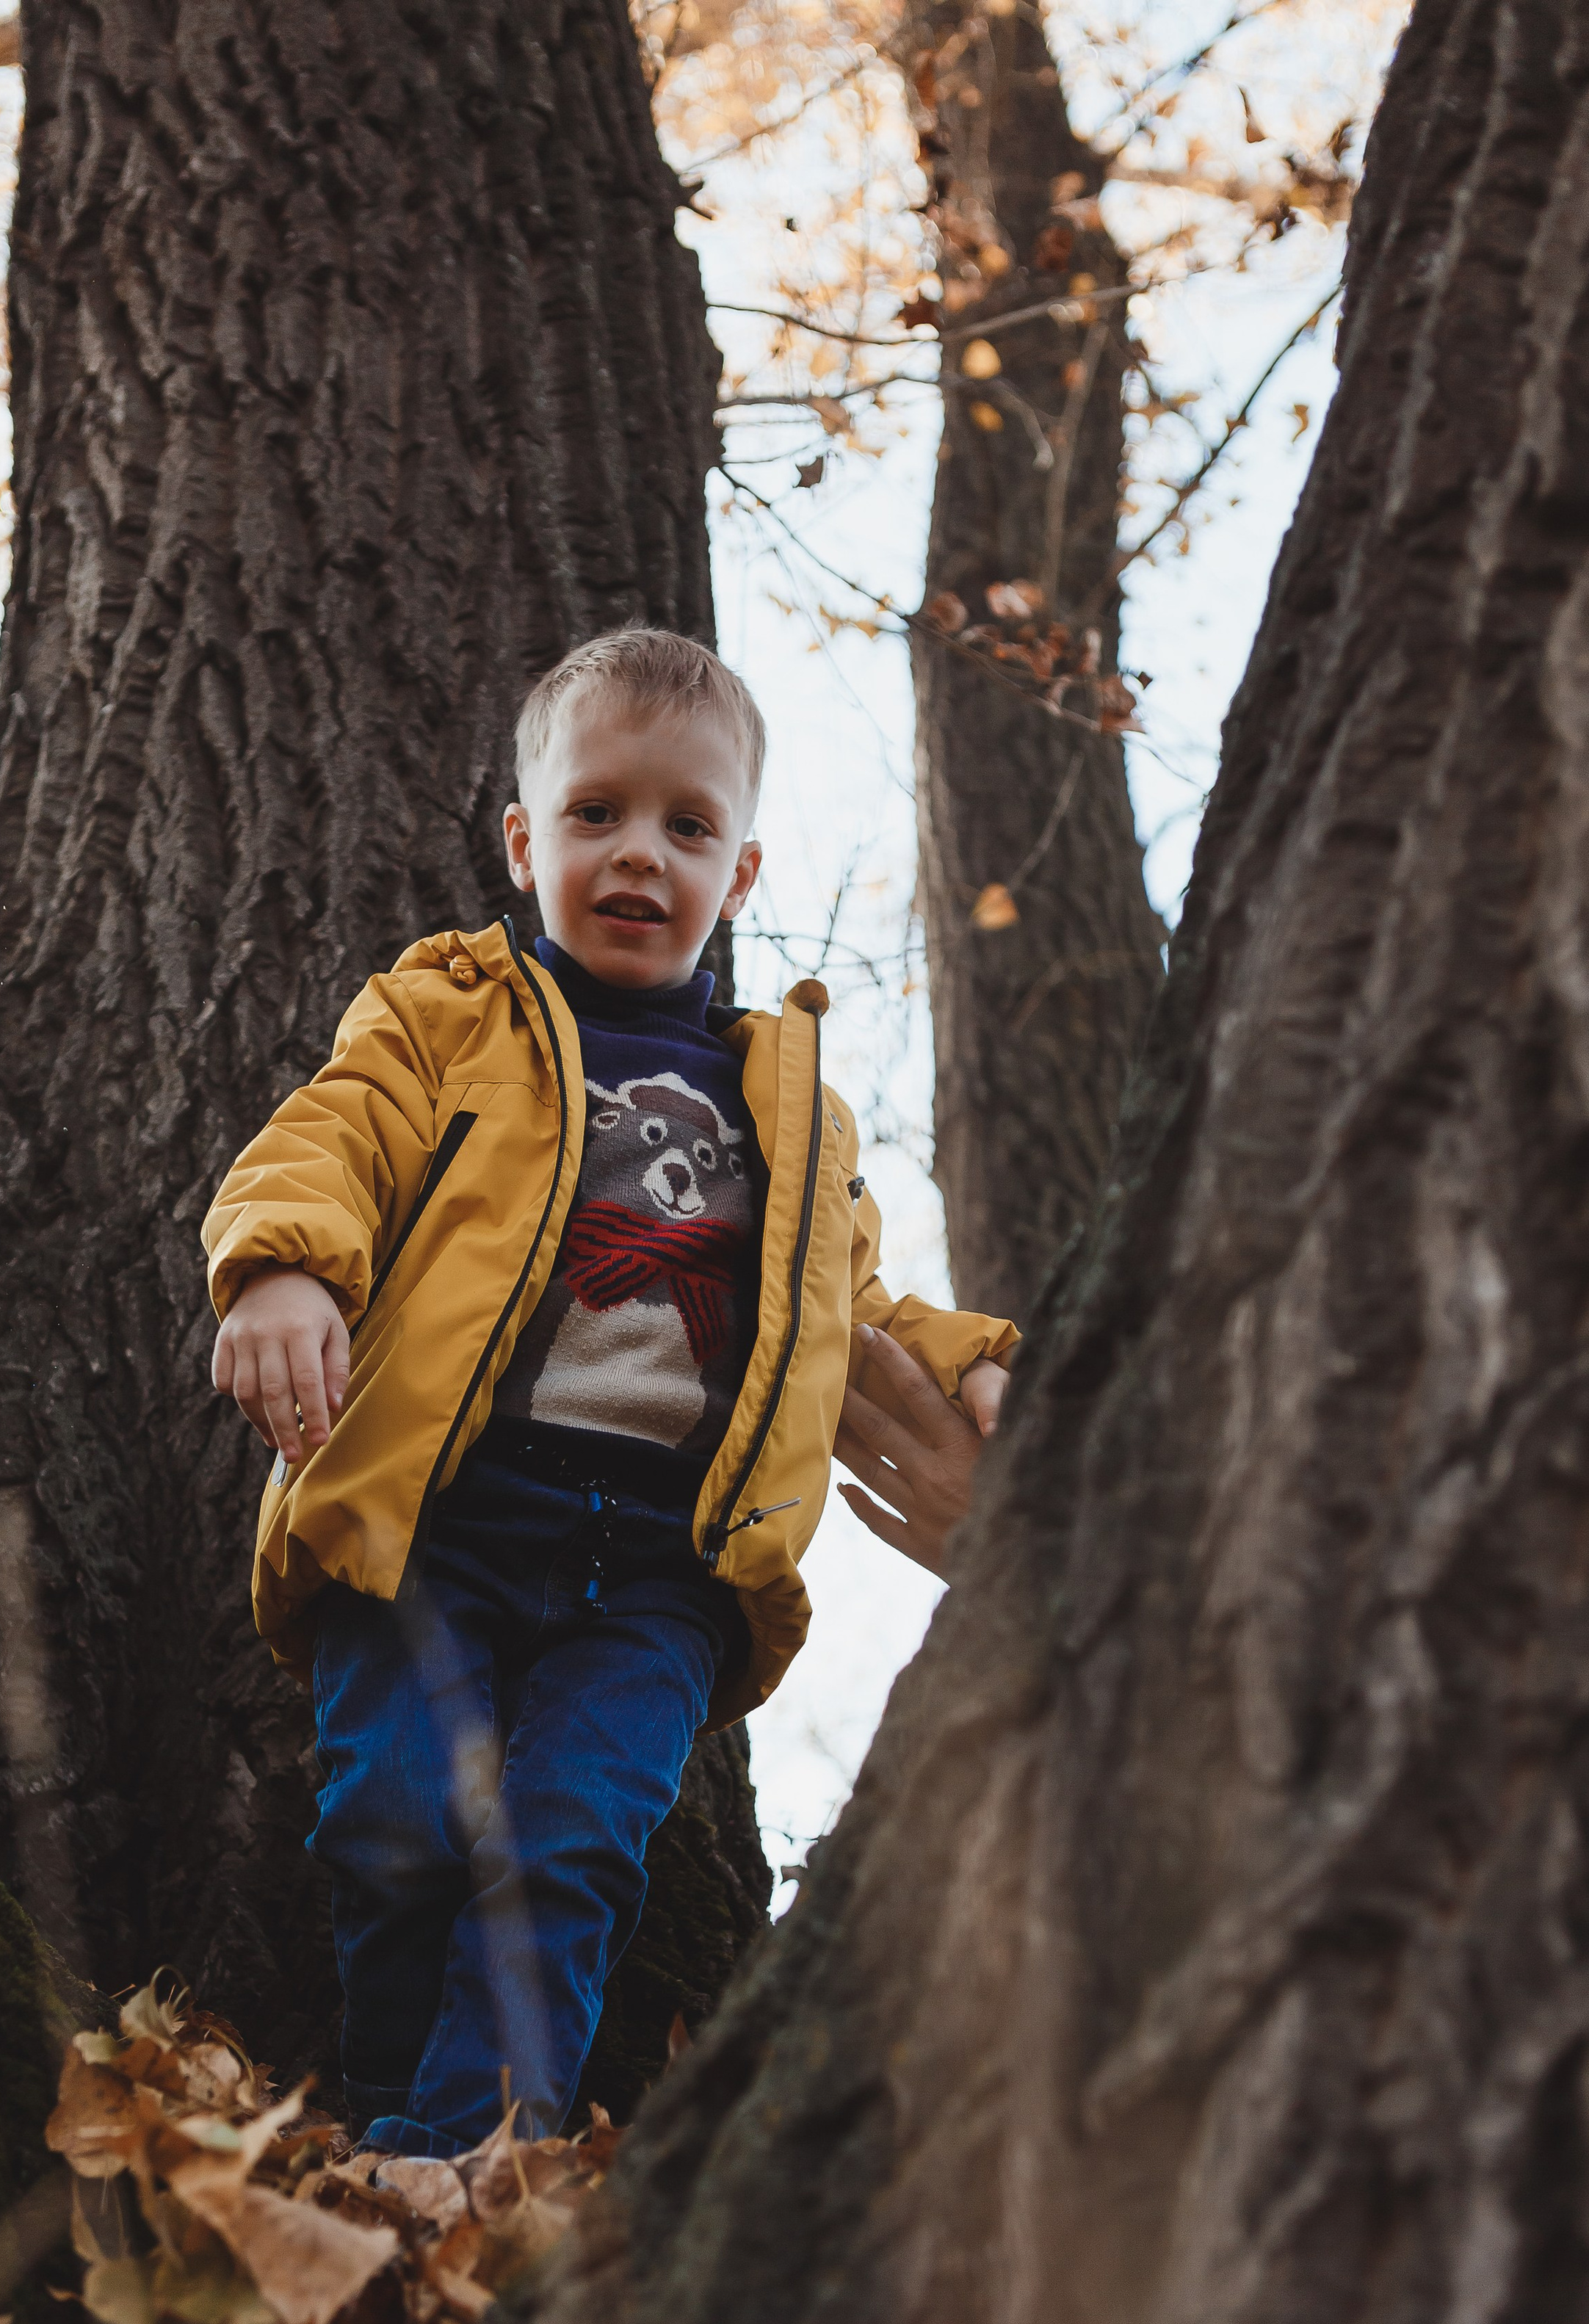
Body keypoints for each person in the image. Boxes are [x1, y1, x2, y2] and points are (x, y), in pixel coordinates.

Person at [202, 626, 1017, 2160]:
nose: (639, 854)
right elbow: (331, 1136)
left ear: (741, 873)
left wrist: (981, 1369)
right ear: (525, 843)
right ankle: (391, 2132)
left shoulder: (790, 1107)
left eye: (686, 826)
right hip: (439, 1528)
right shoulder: (446, 1014)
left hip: (659, 1574)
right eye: (597, 815)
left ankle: (465, 2163)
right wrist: (282, 1268)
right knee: (396, 1827)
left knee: (572, 1846)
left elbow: (856, 1306)